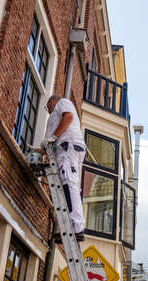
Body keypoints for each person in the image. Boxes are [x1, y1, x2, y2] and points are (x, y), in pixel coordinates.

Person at [40, 94, 86, 242]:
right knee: (69, 185)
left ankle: (76, 227)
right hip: (65, 148)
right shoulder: (56, 116)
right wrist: (37, 150)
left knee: (69, 182)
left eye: (48, 107)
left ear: (53, 102)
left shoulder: (63, 103)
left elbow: (69, 117)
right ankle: (71, 227)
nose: (49, 111)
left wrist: (53, 137)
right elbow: (49, 144)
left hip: (67, 147)